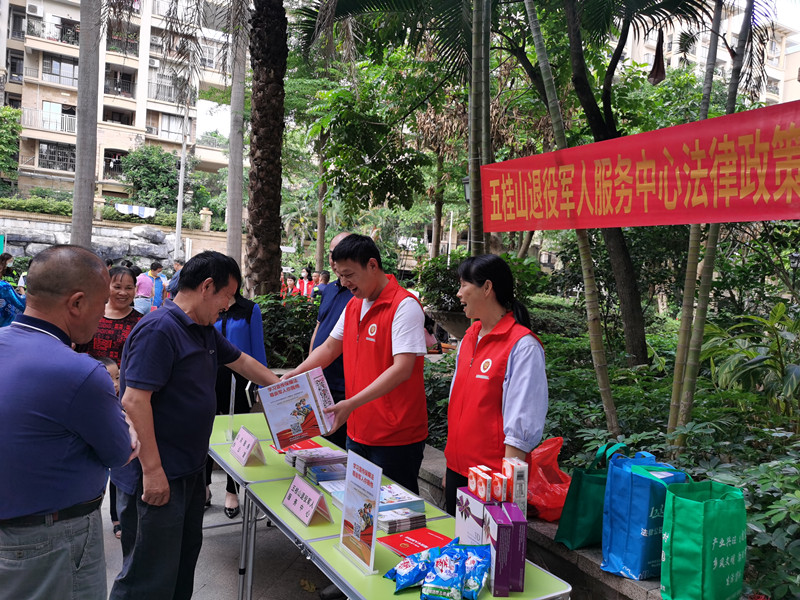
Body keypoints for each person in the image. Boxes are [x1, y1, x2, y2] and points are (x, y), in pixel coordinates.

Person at [109, 250, 280, 600]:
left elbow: (242, 361)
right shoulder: (160, 330)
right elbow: (134, 401)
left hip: (187, 471)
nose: (228, 305)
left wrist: (286, 390)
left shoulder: (202, 329)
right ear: (206, 287)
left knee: (181, 564)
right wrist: (153, 471)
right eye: (227, 296)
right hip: (157, 474)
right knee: (148, 576)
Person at [0, 244, 138, 600]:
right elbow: (120, 452)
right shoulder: (82, 372)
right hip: (52, 541)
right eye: (101, 303)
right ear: (76, 303)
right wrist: (128, 425)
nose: (104, 313)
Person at [286, 234, 428, 493]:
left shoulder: (404, 306)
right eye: (340, 275)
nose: (344, 282)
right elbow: (329, 348)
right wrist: (295, 374)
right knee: (357, 505)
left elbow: (402, 369)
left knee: (393, 510)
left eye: (349, 275)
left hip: (395, 437)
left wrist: (350, 403)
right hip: (358, 430)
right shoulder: (354, 305)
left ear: (372, 265)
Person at [443, 255, 548, 516]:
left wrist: (507, 496)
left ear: (487, 287)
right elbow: (458, 404)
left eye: (464, 285)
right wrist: (451, 466)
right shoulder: (469, 337)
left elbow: (521, 427)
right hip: (458, 471)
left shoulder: (523, 346)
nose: (458, 293)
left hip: (492, 483)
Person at [76, 266, 143, 538]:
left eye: (129, 287)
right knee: (87, 454)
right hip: (89, 395)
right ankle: (85, 510)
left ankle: (118, 515)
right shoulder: (91, 316)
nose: (123, 292)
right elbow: (77, 350)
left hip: (123, 396)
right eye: (117, 286)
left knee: (120, 452)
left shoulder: (141, 321)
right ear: (107, 287)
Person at [206, 290, 268, 518]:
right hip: (209, 377)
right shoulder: (208, 305)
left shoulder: (249, 309)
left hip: (240, 380)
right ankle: (204, 487)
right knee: (207, 431)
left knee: (239, 435)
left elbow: (257, 347)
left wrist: (263, 385)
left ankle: (232, 491)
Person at [307, 233, 354, 448]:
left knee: (338, 446)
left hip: (343, 385)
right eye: (332, 254)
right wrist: (309, 368)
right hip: (320, 381)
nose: (335, 261)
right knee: (318, 444)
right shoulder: (329, 290)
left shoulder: (358, 294)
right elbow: (319, 329)